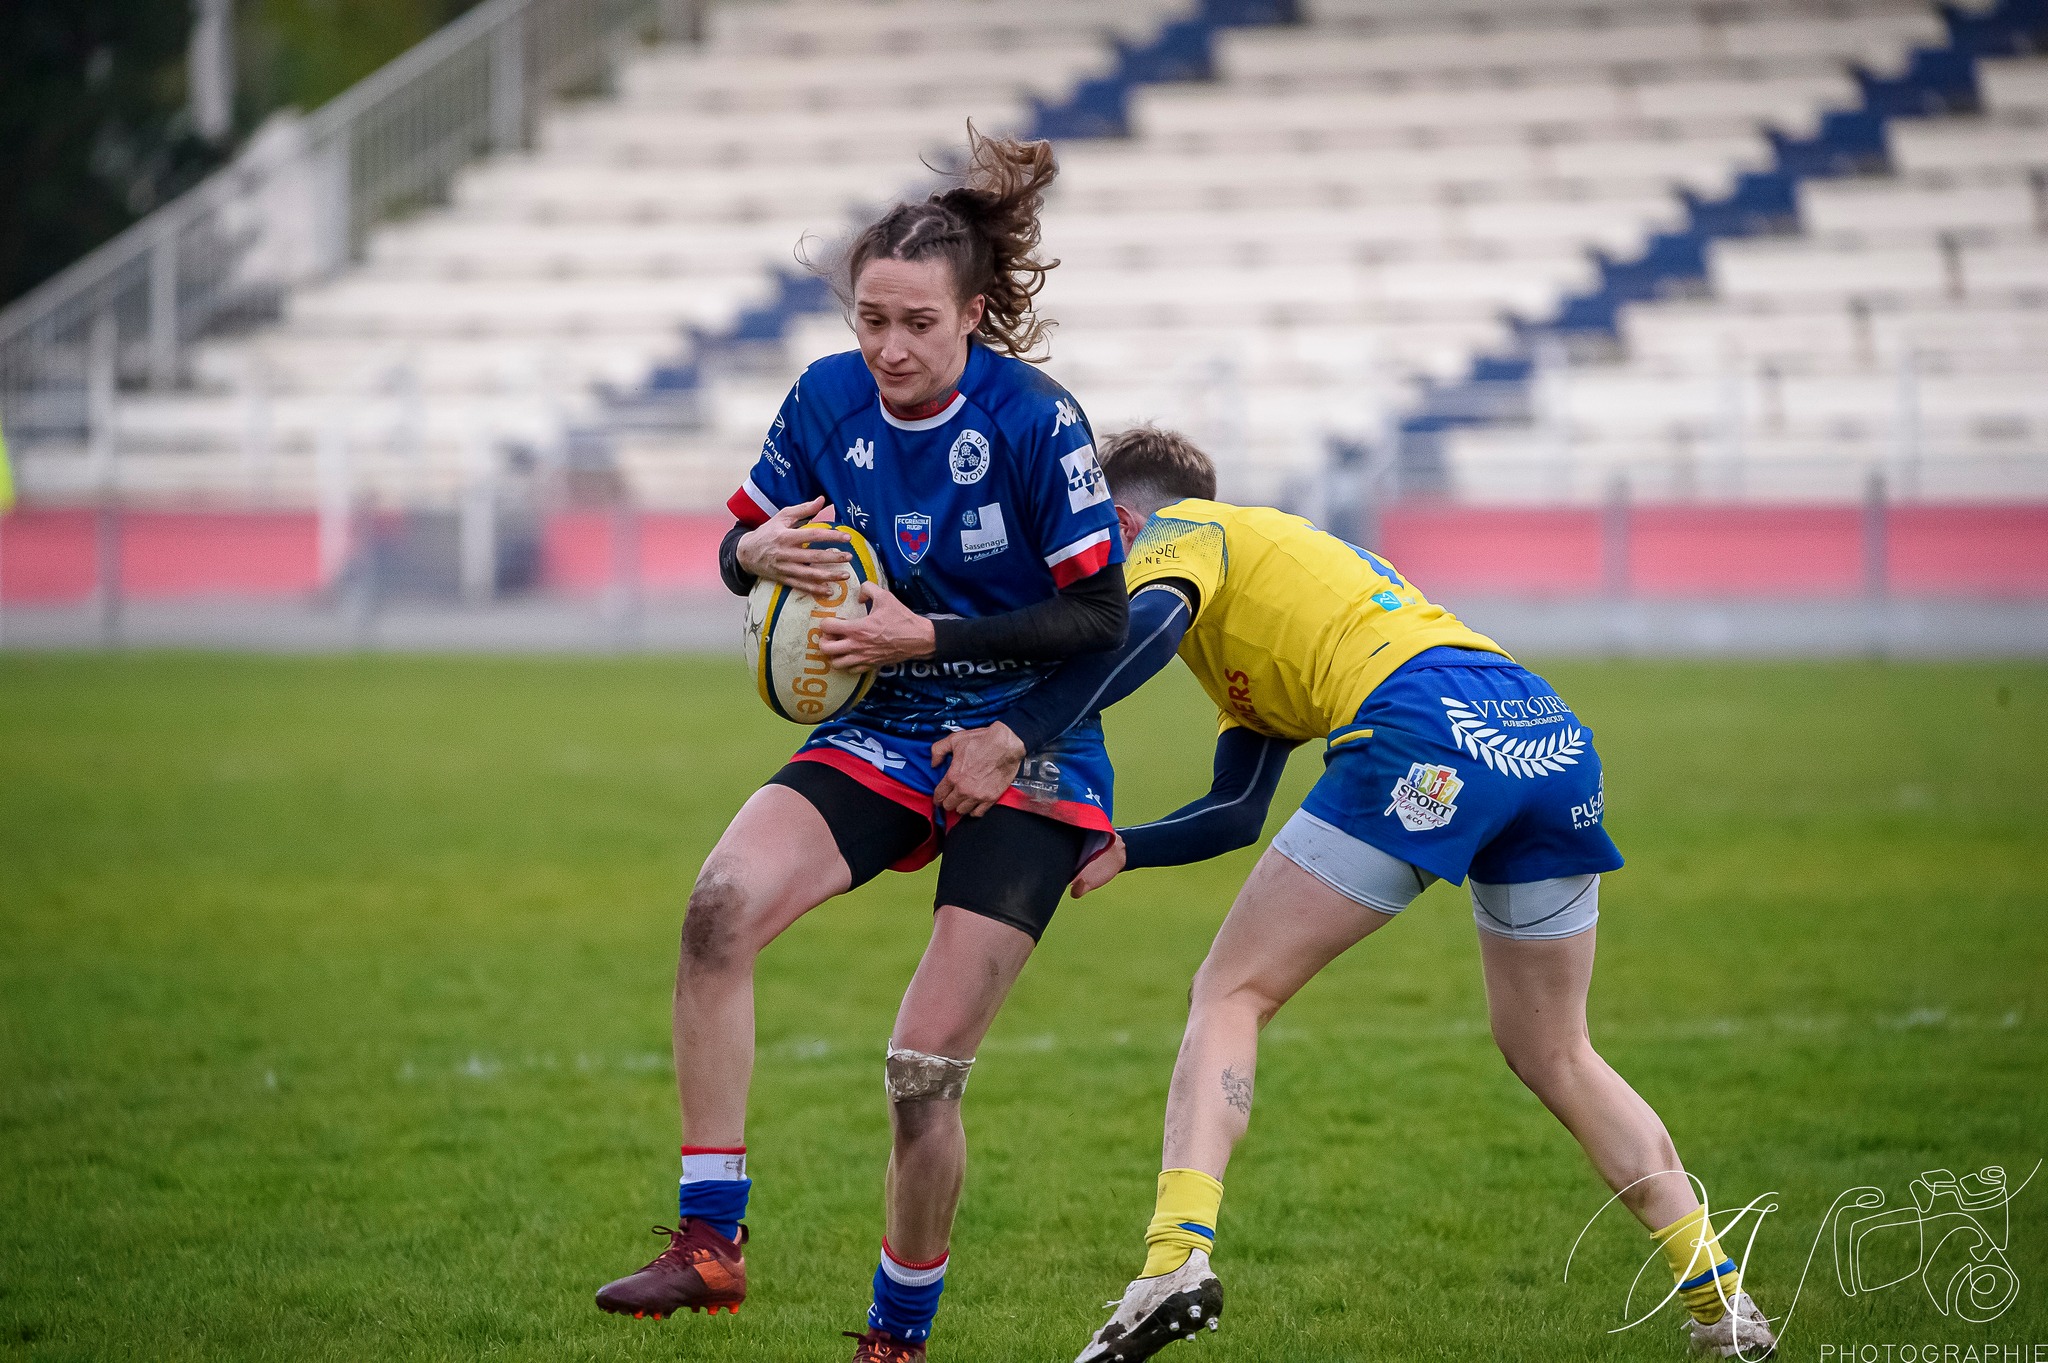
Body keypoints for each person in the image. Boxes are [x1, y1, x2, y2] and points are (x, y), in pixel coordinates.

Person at [933, 427, 1778, 1362]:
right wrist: (1125, 848)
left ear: (1124, 519)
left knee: (1230, 991)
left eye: (1094, 543)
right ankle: (1722, 1304)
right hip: (1544, 730)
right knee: (1555, 1047)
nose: (1084, 571)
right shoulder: (1265, 595)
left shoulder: (1185, 530)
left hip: (1423, 728)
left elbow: (1149, 624)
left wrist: (1019, 728)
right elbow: (1235, 806)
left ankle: (1174, 1259)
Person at [591, 129, 1128, 1363]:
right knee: (717, 907)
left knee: (918, 1073)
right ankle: (709, 1243)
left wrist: (933, 639)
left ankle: (895, 1341)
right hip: (881, 726)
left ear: (973, 318)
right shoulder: (824, 400)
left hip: (1025, 751)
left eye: (915, 324)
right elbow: (740, 542)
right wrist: (749, 556)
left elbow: (1102, 620)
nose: (887, 347)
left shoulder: (1039, 423)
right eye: (869, 319)